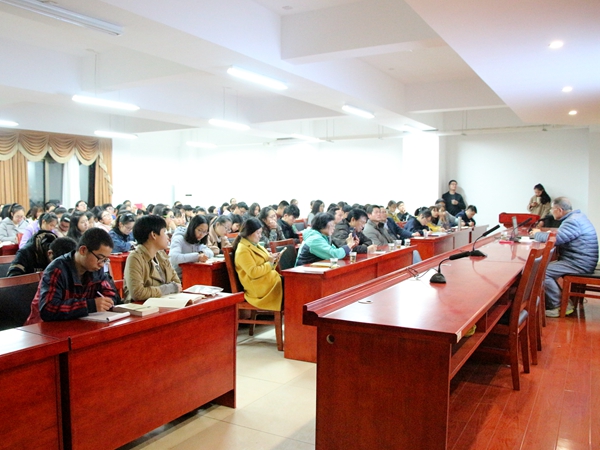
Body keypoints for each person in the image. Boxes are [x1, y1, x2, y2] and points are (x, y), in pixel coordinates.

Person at [25, 228, 120, 324]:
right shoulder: (57, 269)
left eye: (105, 260)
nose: (102, 264)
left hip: (80, 324)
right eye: (100, 258)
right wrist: (90, 305)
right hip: (46, 328)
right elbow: (48, 309)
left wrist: (106, 302)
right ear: (83, 250)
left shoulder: (96, 269)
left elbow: (111, 294)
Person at [530, 197, 599, 317]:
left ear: (559, 210)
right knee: (543, 267)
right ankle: (561, 301)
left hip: (579, 263)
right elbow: (563, 236)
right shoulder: (577, 217)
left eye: (552, 209)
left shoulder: (572, 221)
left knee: (542, 271)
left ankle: (560, 305)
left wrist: (537, 234)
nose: (551, 212)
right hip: (581, 260)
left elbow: (557, 239)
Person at [124, 215, 182, 302]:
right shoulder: (135, 258)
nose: (167, 237)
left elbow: (177, 283)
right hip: (142, 307)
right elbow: (138, 293)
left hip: (164, 303)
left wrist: (168, 288)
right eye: (164, 232)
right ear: (153, 235)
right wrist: (168, 288)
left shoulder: (161, 255)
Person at [232, 217, 283, 311]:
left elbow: (267, 263)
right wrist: (270, 263)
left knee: (292, 284)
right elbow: (253, 272)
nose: (260, 236)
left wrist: (273, 259)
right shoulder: (243, 250)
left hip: (267, 281)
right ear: (249, 233)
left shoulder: (255, 244)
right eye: (258, 233)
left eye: (261, 233)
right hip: (258, 288)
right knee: (291, 287)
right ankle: (293, 317)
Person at [168, 214, 214, 279]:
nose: (201, 234)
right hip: (176, 278)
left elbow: (210, 253)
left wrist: (201, 253)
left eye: (205, 232)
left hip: (190, 275)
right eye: (199, 230)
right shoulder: (179, 238)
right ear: (192, 228)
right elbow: (173, 258)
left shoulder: (198, 240)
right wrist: (197, 256)